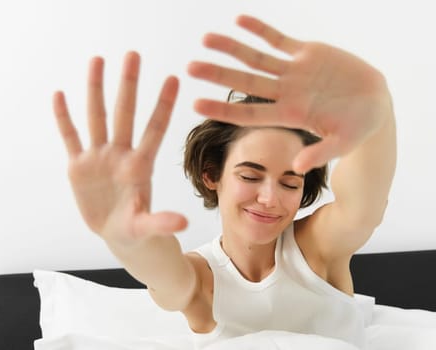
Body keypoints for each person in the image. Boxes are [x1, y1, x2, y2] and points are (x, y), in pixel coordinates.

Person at [51, 15, 396, 348]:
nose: (269, 198)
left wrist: (376, 115)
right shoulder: (203, 280)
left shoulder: (318, 249)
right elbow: (165, 276)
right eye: (249, 176)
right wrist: (123, 238)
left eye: (290, 183)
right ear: (211, 175)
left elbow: (362, 208)